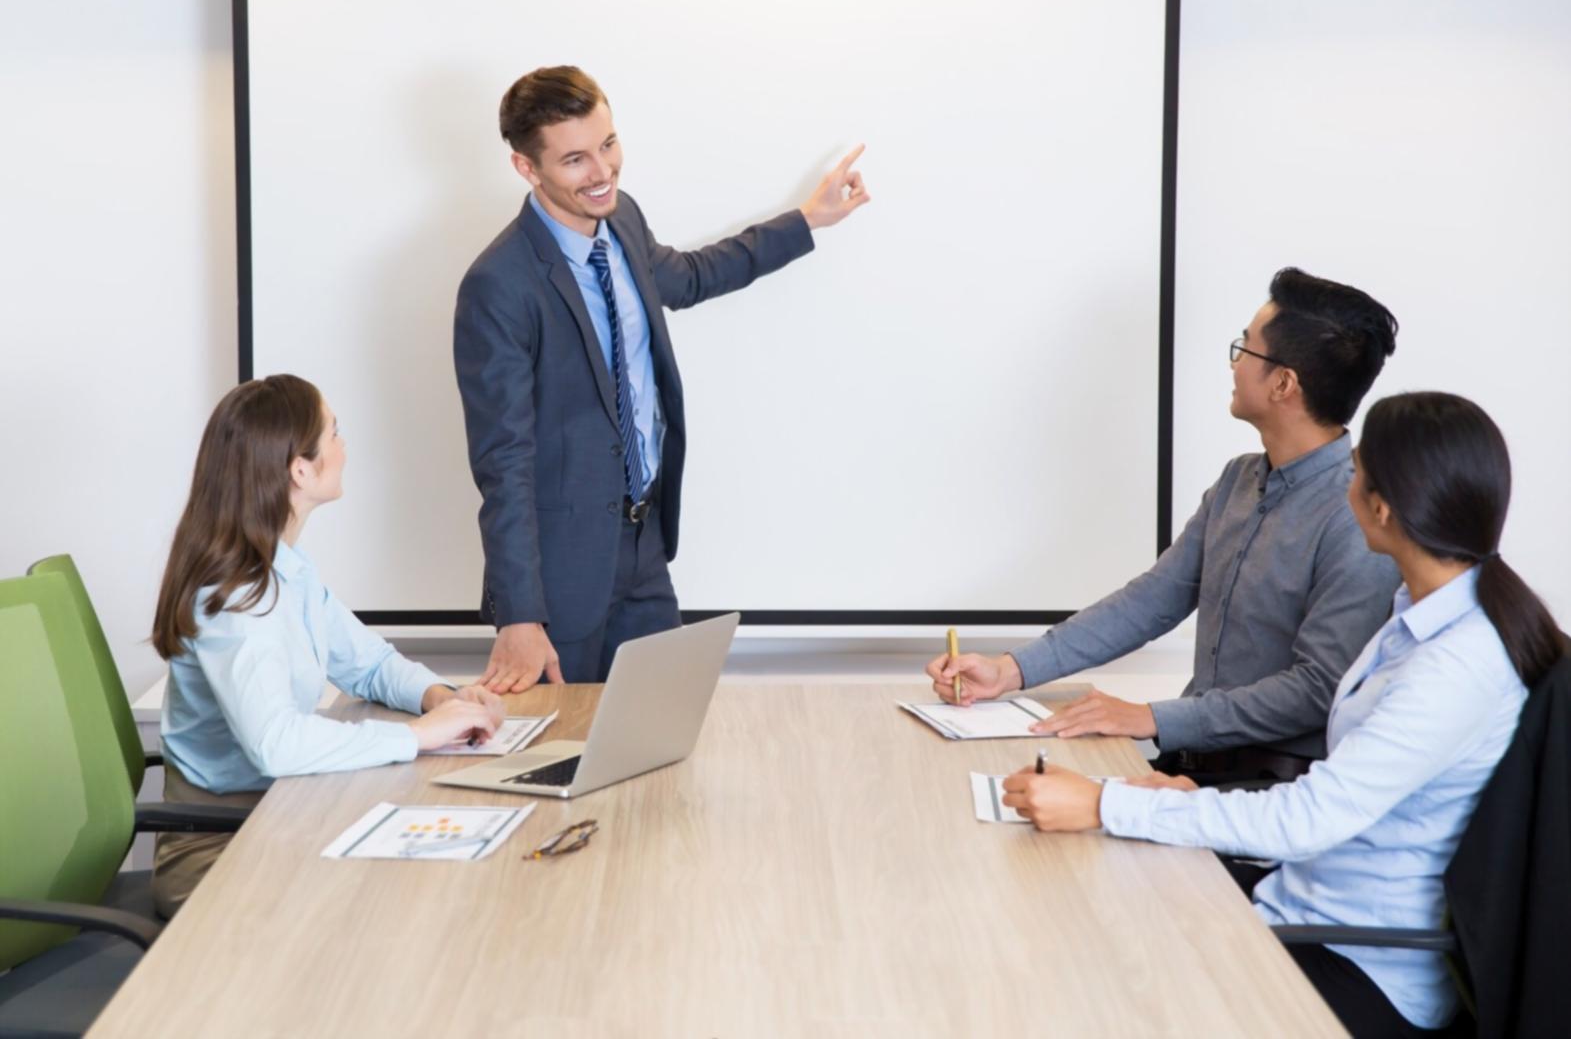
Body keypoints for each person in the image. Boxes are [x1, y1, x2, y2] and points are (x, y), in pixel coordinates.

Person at [1000, 392, 1563, 1033]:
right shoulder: (1421, 616)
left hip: (1354, 954)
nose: (1344, 482)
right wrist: (1181, 803)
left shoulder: (1455, 666)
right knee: (1092, 898)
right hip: (1298, 899)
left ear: (1378, 507)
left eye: (1355, 470)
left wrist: (1104, 803)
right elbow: (1340, 796)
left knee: (1100, 968)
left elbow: (1310, 820)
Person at [454, 65, 869, 689]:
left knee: (655, 740)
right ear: (526, 168)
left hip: (643, 546)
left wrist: (809, 219)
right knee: (557, 763)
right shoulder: (499, 285)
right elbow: (503, 461)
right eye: (575, 160)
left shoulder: (623, 223)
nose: (603, 172)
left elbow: (693, 275)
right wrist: (520, 614)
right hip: (559, 576)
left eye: (609, 144)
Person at [929, 268, 1402, 784]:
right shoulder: (1239, 480)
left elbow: (1318, 690)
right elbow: (1152, 600)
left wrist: (1150, 717)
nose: (1236, 363)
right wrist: (1009, 671)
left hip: (1267, 791)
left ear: (1284, 383)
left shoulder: (1356, 514)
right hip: (1183, 770)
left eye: (1246, 349)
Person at [149, 374, 504, 916]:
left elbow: (368, 663)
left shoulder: (285, 568)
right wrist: (416, 737)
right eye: (335, 434)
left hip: (281, 815)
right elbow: (276, 743)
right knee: (394, 901)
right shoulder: (234, 599)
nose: (344, 447)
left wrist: (440, 698)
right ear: (300, 468)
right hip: (221, 846)